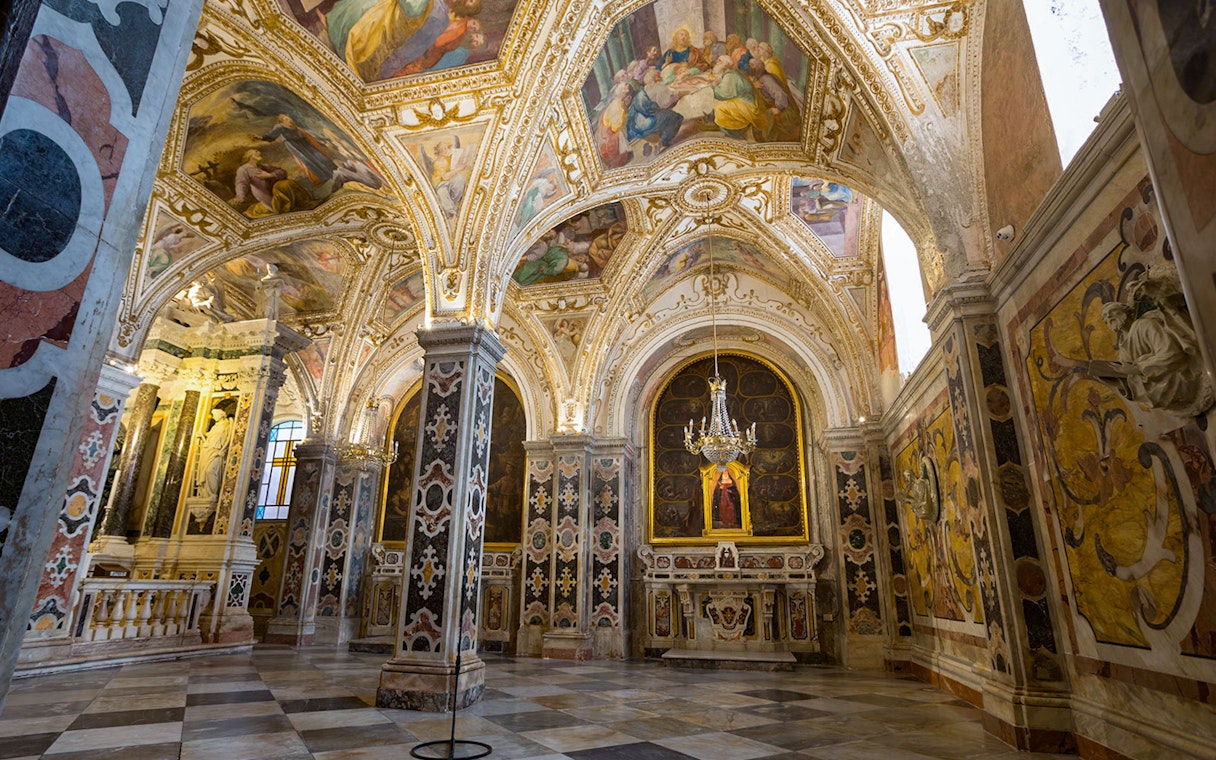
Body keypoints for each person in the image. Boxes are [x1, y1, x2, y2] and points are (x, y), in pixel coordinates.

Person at [252, 114, 339, 186]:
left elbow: (307, 135)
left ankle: (334, 171)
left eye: (289, 118)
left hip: (305, 144)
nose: (289, 119)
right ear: (282, 121)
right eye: (286, 119)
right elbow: (271, 136)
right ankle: (325, 177)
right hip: (297, 147)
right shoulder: (280, 127)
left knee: (320, 157)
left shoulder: (295, 127)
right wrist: (260, 137)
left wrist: (322, 143)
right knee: (310, 161)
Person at [230, 150, 316, 217]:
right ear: (249, 156)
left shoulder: (264, 166)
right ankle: (283, 206)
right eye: (256, 151)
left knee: (288, 183)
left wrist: (270, 175)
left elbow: (283, 172)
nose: (259, 152)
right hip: (269, 198)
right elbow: (241, 183)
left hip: (278, 193)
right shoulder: (244, 169)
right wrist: (240, 196)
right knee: (282, 185)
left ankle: (302, 202)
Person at [711, 55, 770, 140]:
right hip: (747, 102)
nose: (717, 62)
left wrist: (713, 86)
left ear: (726, 65)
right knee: (722, 105)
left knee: (719, 108)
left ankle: (734, 133)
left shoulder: (730, 76)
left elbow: (724, 95)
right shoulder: (733, 73)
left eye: (720, 61)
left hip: (747, 105)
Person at [627, 68, 684, 147]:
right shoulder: (658, 87)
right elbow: (666, 104)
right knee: (676, 117)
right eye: (658, 75)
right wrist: (678, 95)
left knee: (664, 115)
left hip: (637, 125)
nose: (660, 75)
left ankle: (661, 137)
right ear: (655, 78)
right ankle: (664, 141)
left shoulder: (644, 89)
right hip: (648, 123)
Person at [194, 408, 233, 502]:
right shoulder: (215, 426)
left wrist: (223, 449)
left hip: (217, 452)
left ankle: (213, 494)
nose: (213, 417)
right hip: (208, 450)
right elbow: (210, 436)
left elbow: (228, 438)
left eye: (215, 415)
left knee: (210, 471)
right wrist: (202, 435)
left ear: (221, 415)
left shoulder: (227, 425)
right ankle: (204, 493)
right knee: (204, 471)